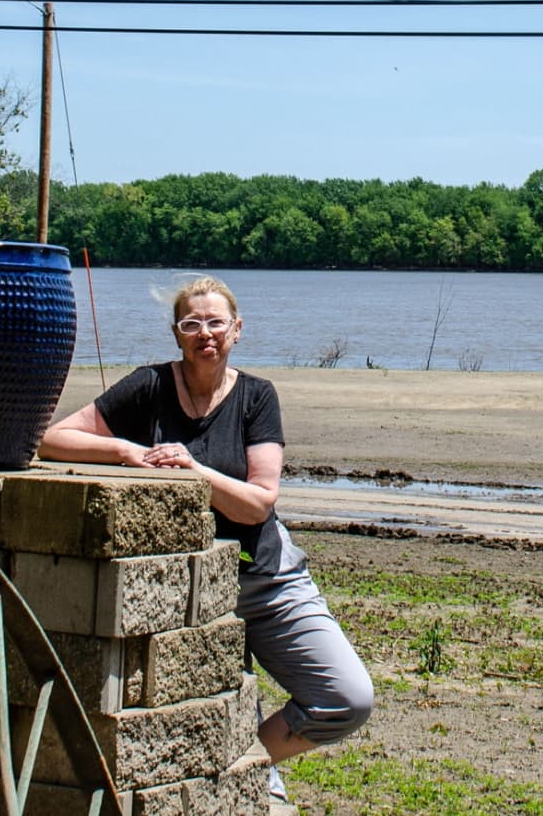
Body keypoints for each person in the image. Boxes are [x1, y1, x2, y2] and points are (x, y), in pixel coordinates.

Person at [40, 275, 374, 790]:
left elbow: (259, 503)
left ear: (237, 330)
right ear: (177, 334)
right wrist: (126, 452)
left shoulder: (257, 398)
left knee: (347, 699)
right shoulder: (147, 386)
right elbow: (54, 439)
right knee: (215, 704)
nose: (205, 333)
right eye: (192, 323)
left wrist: (194, 468)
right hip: (180, 589)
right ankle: (253, 792)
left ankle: (242, 766)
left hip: (265, 579)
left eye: (216, 322)